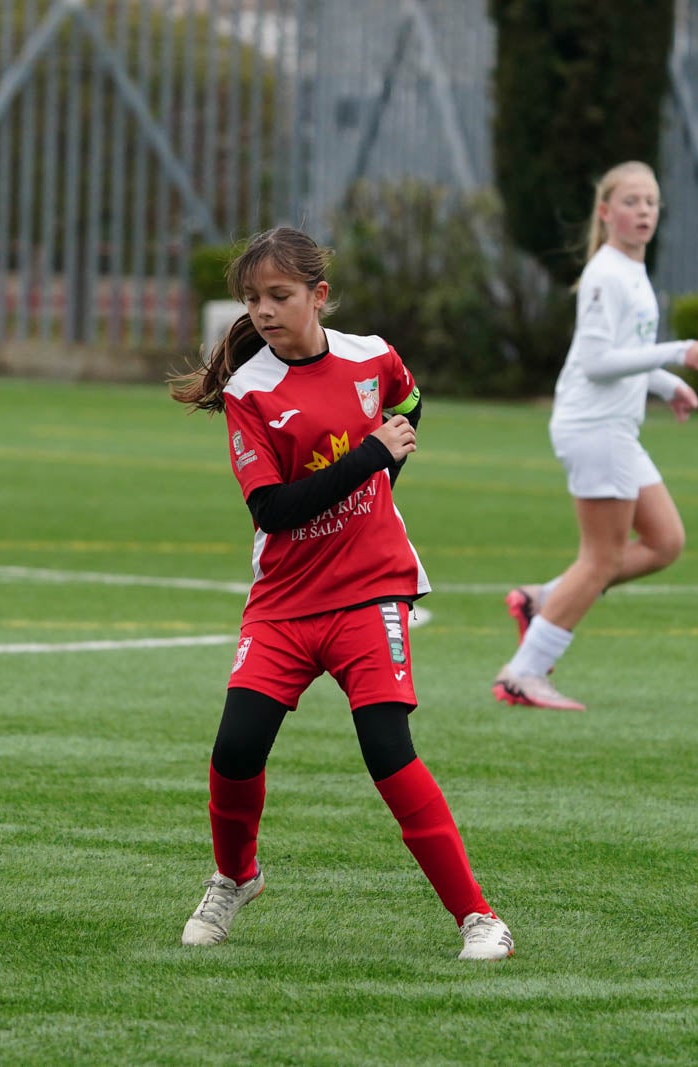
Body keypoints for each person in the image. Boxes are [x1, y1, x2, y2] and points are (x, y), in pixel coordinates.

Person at [168, 226, 514, 962]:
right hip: (285, 602)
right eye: (253, 298)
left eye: (279, 296)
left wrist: (383, 478)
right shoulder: (249, 392)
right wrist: (371, 460)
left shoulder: (372, 356)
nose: (263, 310)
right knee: (235, 749)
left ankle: (479, 918)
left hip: (371, 591)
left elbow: (410, 402)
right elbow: (275, 510)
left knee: (388, 749)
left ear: (318, 296)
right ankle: (235, 877)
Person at [492, 161, 698, 711]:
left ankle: (543, 598)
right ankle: (524, 673)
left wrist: (666, 385)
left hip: (616, 428)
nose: (643, 212)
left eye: (651, 203)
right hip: (595, 429)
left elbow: (619, 353)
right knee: (602, 559)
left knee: (665, 543)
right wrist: (674, 354)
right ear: (605, 211)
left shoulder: (631, 270)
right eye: (632, 201)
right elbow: (595, 362)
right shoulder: (606, 273)